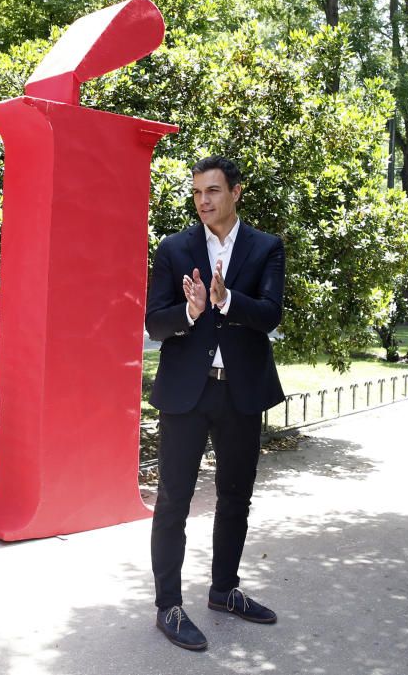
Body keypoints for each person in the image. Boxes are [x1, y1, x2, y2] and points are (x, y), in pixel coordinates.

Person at [145, 155, 285, 651]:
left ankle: (224, 590)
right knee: (173, 500)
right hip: (188, 390)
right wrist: (191, 309)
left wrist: (227, 302)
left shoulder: (266, 248)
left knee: (234, 499)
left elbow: (269, 315)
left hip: (242, 390)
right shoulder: (174, 248)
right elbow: (154, 323)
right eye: (198, 192)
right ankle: (169, 606)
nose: (204, 201)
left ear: (235, 192)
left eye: (214, 191)